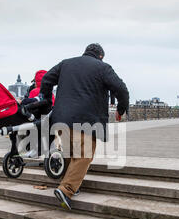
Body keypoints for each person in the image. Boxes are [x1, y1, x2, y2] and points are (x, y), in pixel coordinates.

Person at [40, 43, 129, 210]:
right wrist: (121, 109)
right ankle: (66, 190)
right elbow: (121, 89)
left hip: (61, 119)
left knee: (69, 152)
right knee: (83, 155)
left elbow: (46, 79)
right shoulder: (103, 68)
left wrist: (45, 100)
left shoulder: (66, 63)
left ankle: (70, 183)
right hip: (86, 120)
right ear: (101, 56)